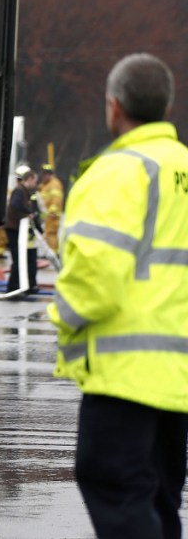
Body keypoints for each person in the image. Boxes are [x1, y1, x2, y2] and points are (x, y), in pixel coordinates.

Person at [48, 53, 188, 538]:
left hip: (124, 373)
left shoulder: (116, 172)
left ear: (114, 107)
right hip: (178, 379)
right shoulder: (184, 168)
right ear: (166, 106)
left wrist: (63, 321)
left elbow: (95, 279)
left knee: (113, 485)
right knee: (160, 499)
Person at [3, 164, 40, 294]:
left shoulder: (24, 191)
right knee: (18, 260)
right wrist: (29, 212)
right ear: (29, 179)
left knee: (20, 260)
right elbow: (16, 204)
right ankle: (13, 288)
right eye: (34, 181)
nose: (34, 184)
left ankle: (18, 287)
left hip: (18, 229)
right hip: (14, 229)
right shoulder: (20, 191)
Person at [38, 163, 65, 252]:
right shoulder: (44, 185)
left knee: (51, 234)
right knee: (48, 234)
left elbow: (56, 199)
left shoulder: (54, 184)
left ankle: (54, 253)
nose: (44, 176)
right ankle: (50, 252)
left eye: (46, 174)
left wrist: (53, 211)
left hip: (52, 215)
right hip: (47, 215)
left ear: (50, 174)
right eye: (43, 174)